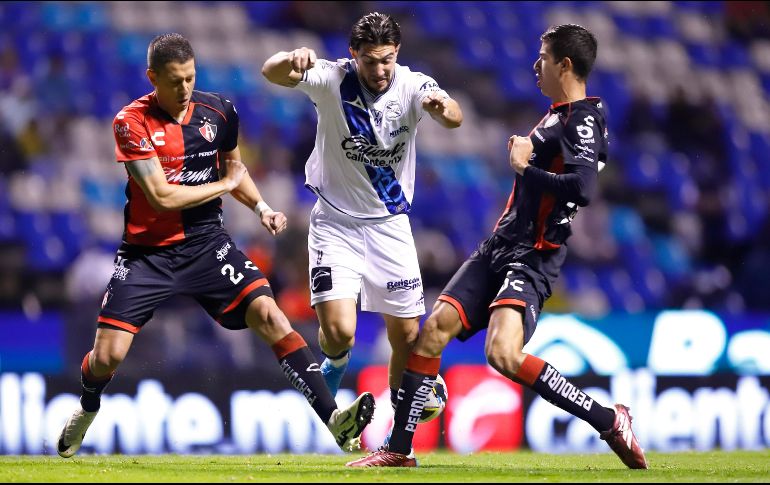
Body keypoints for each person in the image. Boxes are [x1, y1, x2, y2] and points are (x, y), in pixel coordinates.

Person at [56, 33, 375, 458]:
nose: (184, 88)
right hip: (147, 254)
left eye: (190, 78)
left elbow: (234, 169)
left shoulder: (219, 111)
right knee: (107, 357)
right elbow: (162, 197)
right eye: (173, 81)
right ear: (152, 78)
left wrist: (260, 206)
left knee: (270, 315)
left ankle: (333, 418)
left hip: (207, 244)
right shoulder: (130, 123)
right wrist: (226, 183)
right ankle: (88, 404)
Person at [347, 24, 649, 469]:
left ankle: (609, 419)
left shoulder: (582, 118)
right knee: (433, 331)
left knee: (503, 355)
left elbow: (582, 188)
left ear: (564, 64)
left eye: (543, 58)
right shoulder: (557, 114)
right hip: (500, 245)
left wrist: (524, 168)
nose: (535, 66)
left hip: (534, 254)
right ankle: (399, 449)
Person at [261, 12, 463, 420]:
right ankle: (334, 365)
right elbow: (270, 70)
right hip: (335, 224)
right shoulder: (332, 78)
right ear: (354, 55)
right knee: (339, 332)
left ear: (397, 53)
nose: (380, 70)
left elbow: (454, 116)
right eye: (370, 61)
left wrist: (443, 108)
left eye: (387, 59)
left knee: (407, 337)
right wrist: (292, 59)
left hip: (390, 227)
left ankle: (395, 437)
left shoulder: (413, 85)